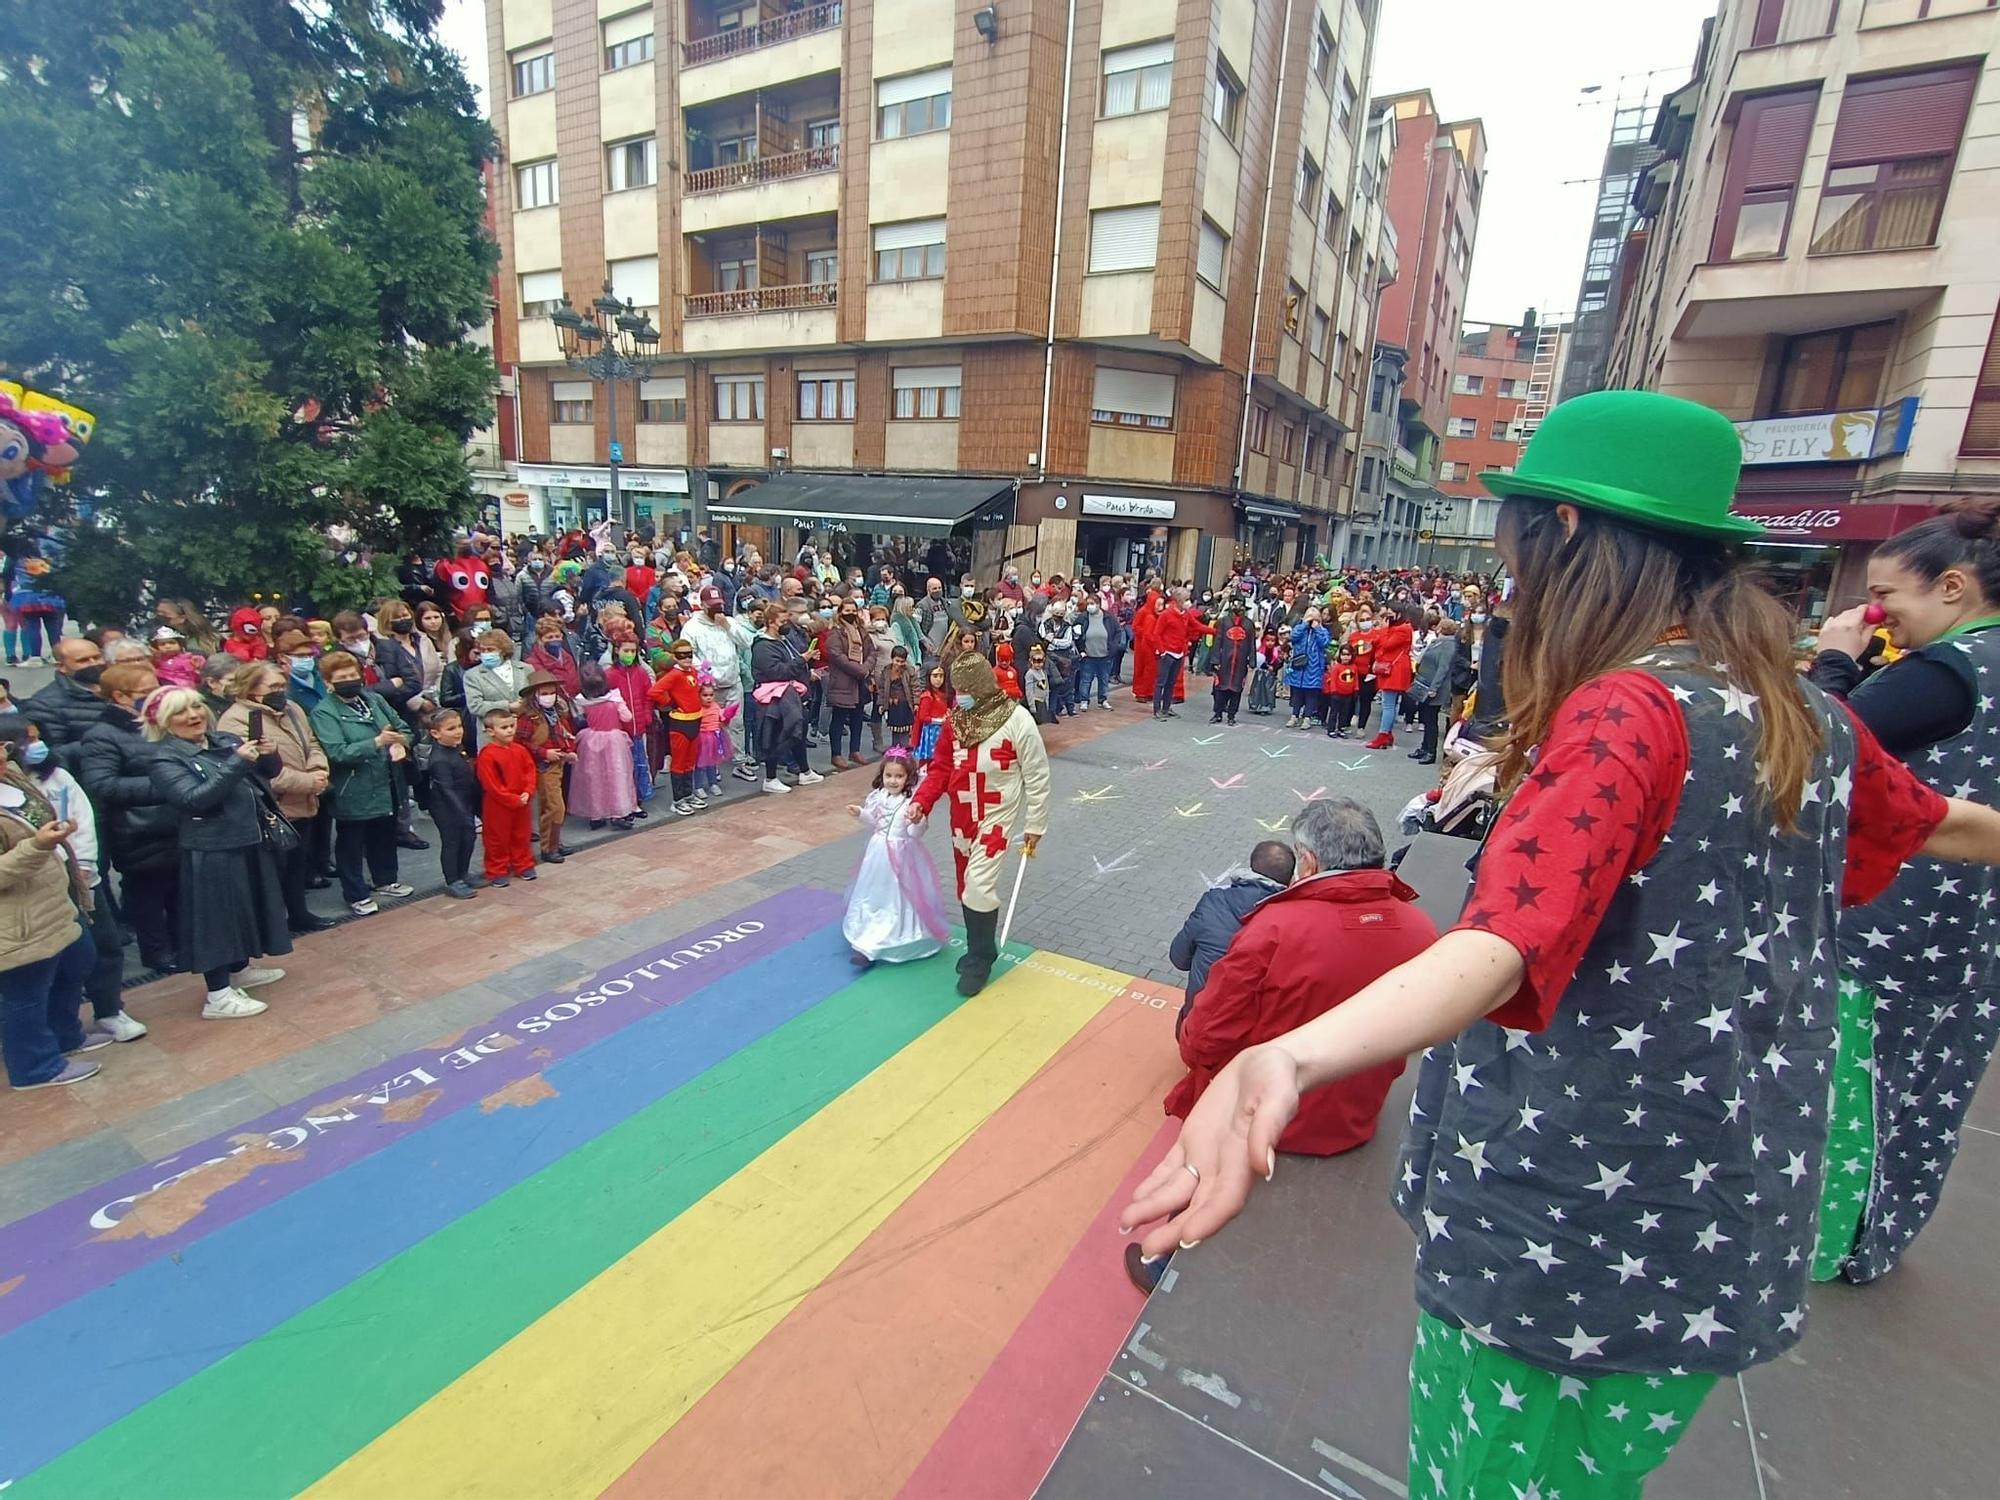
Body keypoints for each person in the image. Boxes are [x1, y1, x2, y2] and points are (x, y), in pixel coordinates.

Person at [1119, 390, 2000, 1498]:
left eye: (1516, 543)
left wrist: (1283, 1056)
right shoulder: (1799, 711)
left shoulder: (1625, 711)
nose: (1511, 578)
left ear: (1566, 531)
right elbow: (1937, 824)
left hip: (1560, 1217)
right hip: (1718, 1216)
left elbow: (1500, 944)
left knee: (1478, 1478)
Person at [1805, 500, 2000, 1285]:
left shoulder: (1948, 670)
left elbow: (1821, 743)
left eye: (1890, 599)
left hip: (1893, 925)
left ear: (1953, 588)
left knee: (1851, 1082)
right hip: (1971, 932)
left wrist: (1835, 659)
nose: (1879, 618)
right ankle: (1876, 1233)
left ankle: (1823, 1235)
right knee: (1927, 1093)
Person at [906, 650, 1052, 997]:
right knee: (965, 886)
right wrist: (921, 802)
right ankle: (980, 948)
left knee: (979, 885)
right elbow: (941, 768)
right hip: (962, 817)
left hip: (997, 816)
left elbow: (1037, 774)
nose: (960, 697)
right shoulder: (957, 720)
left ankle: (979, 961)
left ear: (981, 686)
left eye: (965, 689)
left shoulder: (1017, 720)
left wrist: (1035, 823)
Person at [143, 686, 291, 1020]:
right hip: (210, 846)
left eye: (196, 706)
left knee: (245, 908)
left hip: (247, 837)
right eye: (181, 711)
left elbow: (267, 773)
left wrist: (268, 754)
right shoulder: (163, 757)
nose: (193, 715)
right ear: (164, 721)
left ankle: (239, 967)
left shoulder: (224, 740)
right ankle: (218, 995)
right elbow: (195, 800)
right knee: (216, 921)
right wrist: (237, 764)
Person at [3, 713, 142, 1045]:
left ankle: (103, 1013)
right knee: (40, 975)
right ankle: (41, 1049)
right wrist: (41, 848)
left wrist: (82, 863)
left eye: (37, 738)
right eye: (23, 742)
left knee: (96, 949)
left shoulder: (53, 777)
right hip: (28, 895)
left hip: (76, 876)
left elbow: (76, 819)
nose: (33, 747)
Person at [0, 737, 101, 1088]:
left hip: (53, 901)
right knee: (24, 995)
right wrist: (36, 846)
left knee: (76, 963)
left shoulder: (11, 777)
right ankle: (34, 1068)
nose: (3, 755)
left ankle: (65, 1036)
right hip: (16, 921)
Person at [216, 660, 333, 935]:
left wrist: (318, 771)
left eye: (282, 685)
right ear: (251, 688)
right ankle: (272, 924)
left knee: (297, 864)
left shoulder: (292, 709)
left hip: (304, 799)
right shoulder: (234, 721)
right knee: (274, 870)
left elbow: (312, 742)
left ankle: (299, 914)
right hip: (274, 805)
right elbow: (260, 772)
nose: (280, 691)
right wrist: (307, 782)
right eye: (273, 686)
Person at [308, 650, 414, 918]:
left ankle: (386, 879)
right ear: (329, 682)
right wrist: (375, 743)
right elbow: (337, 752)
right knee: (351, 843)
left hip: (386, 779)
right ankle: (356, 893)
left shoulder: (375, 700)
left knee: (384, 832)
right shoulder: (324, 712)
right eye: (342, 677)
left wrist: (402, 743)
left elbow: (403, 727)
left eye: (353, 675)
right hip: (352, 786)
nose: (350, 680)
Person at [841, 749, 950, 967]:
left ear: (908, 778)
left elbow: (915, 833)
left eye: (899, 776)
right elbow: (874, 821)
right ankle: (867, 938)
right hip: (877, 853)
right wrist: (861, 813)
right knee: (874, 894)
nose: (892, 781)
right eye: (888, 776)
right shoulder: (878, 796)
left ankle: (893, 939)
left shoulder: (912, 802)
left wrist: (918, 820)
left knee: (899, 897)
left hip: (903, 856)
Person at [1166, 838, 1293, 1023]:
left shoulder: (1213, 902)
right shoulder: (1293, 918)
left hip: (1198, 1017)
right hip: (1252, 1028)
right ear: (1290, 878)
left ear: (1251, 868)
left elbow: (1179, 958)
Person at [569, 661, 638, 829]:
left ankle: (596, 815)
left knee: (594, 777)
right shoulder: (614, 697)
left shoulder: (581, 700)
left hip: (591, 740)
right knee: (617, 775)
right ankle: (618, 813)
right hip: (614, 739)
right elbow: (627, 717)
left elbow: (578, 718)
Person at [420, 708, 480, 899]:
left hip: (464, 802)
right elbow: (446, 789)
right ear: (435, 733)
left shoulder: (457, 748)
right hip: (446, 807)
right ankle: (452, 880)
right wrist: (461, 812)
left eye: (459, 726)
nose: (458, 731)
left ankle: (464, 873)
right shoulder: (439, 759)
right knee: (452, 841)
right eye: (451, 729)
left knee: (468, 838)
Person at [519, 668, 578, 860]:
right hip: (542, 767)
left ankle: (554, 843)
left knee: (554, 807)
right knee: (553, 808)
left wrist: (567, 752)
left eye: (552, 692)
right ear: (534, 695)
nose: (549, 697)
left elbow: (561, 734)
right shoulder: (528, 718)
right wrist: (544, 753)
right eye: (544, 694)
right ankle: (548, 848)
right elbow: (521, 743)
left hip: (558, 764)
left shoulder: (555, 713)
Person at [475, 707, 538, 886]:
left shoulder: (520, 749)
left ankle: (523, 864)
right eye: (504, 727)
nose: (510, 730)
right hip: (498, 804)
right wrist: (512, 798)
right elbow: (491, 784)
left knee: (522, 834)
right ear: (490, 731)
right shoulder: (487, 755)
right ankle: (496, 870)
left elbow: (530, 771)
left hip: (522, 801)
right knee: (497, 838)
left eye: (511, 725)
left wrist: (528, 791)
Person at [24, 636, 107, 768]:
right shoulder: (44, 704)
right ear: (61, 666)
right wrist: (103, 743)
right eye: (83, 660)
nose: (94, 663)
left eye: (97, 657)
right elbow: (54, 754)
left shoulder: (119, 686)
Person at [824, 593, 876, 772]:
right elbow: (837, 656)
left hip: (860, 681)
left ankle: (855, 750)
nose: (851, 613)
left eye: (853, 610)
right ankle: (836, 754)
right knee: (839, 718)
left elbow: (871, 652)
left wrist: (867, 668)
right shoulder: (836, 633)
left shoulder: (862, 631)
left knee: (857, 717)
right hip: (843, 681)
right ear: (840, 612)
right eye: (847, 611)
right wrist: (859, 670)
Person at [1361, 602, 1417, 749]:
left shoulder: (1403, 629)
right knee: (1389, 703)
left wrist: (1380, 634)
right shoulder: (1396, 627)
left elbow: (1385, 644)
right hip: (1392, 667)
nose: (1388, 616)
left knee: (1388, 704)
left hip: (1395, 669)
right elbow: (1380, 639)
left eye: (1391, 612)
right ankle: (1387, 734)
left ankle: (1383, 734)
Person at [1406, 618, 1458, 764]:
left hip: (1434, 687)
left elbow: (1443, 668)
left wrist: (1434, 688)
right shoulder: (1437, 642)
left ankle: (1431, 751)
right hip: (1424, 683)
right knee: (1424, 715)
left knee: (1431, 720)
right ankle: (1424, 748)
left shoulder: (1449, 646)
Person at [1207, 599, 1253, 726]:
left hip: (1240, 661)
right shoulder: (1223, 622)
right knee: (1220, 688)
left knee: (1236, 689)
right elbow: (1217, 641)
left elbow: (1251, 644)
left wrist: (1252, 660)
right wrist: (1215, 659)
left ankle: (1232, 715)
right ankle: (1217, 713)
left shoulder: (1249, 624)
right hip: (1224, 660)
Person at [1285, 608, 1330, 728]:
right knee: (1297, 693)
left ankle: (1307, 717)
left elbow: (1324, 643)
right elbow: (1293, 637)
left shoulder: (1322, 631)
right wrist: (1304, 624)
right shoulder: (1300, 628)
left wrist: (1317, 628)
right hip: (1299, 665)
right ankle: (1294, 716)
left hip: (1314, 667)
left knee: (1311, 694)